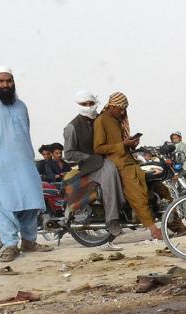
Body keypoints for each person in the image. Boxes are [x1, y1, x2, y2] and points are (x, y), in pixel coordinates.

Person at [0, 66, 49, 263]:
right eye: (1, 81)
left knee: (32, 202)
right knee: (5, 206)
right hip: (0, 165)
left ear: (13, 83)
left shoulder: (21, 106)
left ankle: (29, 241)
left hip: (24, 162)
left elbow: (25, 131)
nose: (5, 85)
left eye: (9, 81)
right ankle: (10, 244)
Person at [94, 92, 162, 239]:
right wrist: (122, 144)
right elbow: (98, 148)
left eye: (125, 109)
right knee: (137, 195)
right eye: (120, 109)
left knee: (159, 187)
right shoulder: (101, 121)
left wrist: (131, 144)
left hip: (130, 160)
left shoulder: (118, 119)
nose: (123, 112)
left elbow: (122, 143)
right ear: (112, 106)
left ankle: (177, 225)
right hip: (119, 164)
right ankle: (154, 230)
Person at [63, 90, 125, 250]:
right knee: (110, 173)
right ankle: (112, 220)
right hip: (91, 165)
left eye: (91, 103)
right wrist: (87, 157)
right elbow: (69, 154)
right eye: (84, 104)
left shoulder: (102, 119)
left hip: (110, 157)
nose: (88, 107)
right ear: (78, 105)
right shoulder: (72, 127)